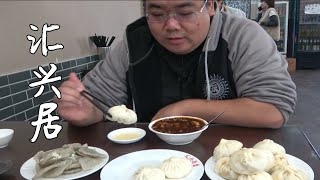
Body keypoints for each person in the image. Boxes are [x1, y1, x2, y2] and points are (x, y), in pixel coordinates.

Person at [54, 0, 296, 129]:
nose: (170, 25)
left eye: (185, 12)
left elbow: (273, 110)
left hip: (226, 163)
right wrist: (86, 112)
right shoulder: (134, 41)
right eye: (157, 14)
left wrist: (186, 109)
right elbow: (99, 99)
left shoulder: (242, 36)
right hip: (148, 164)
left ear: (211, 5)